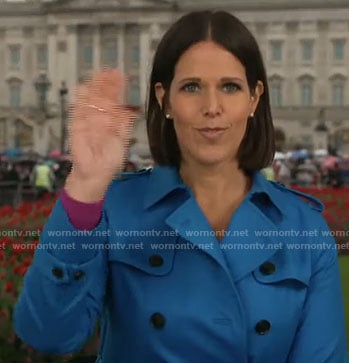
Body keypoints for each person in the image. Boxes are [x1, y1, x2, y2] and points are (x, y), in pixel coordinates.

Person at [14, 10, 347, 363]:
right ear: (165, 99)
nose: (212, 108)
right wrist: (84, 188)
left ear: (254, 98)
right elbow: (48, 334)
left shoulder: (302, 227)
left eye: (230, 87)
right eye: (191, 87)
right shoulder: (116, 209)